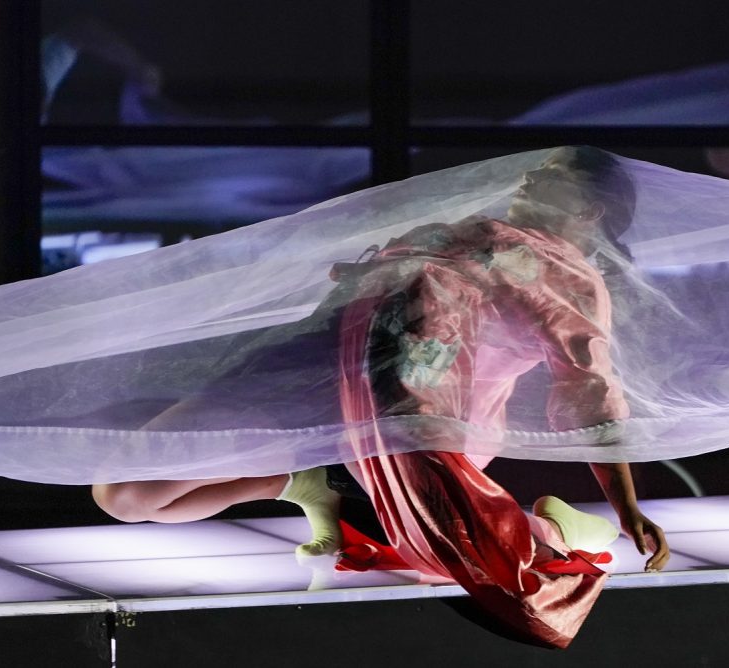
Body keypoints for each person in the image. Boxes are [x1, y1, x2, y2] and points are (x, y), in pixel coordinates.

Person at [91, 147, 669, 647]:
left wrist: (626, 508)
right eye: (535, 171)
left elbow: (589, 395)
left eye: (552, 177)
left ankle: (561, 529)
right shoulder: (471, 230)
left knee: (463, 568)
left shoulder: (570, 281)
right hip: (315, 380)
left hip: (418, 432)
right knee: (128, 492)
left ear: (590, 210)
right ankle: (305, 482)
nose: (528, 181)